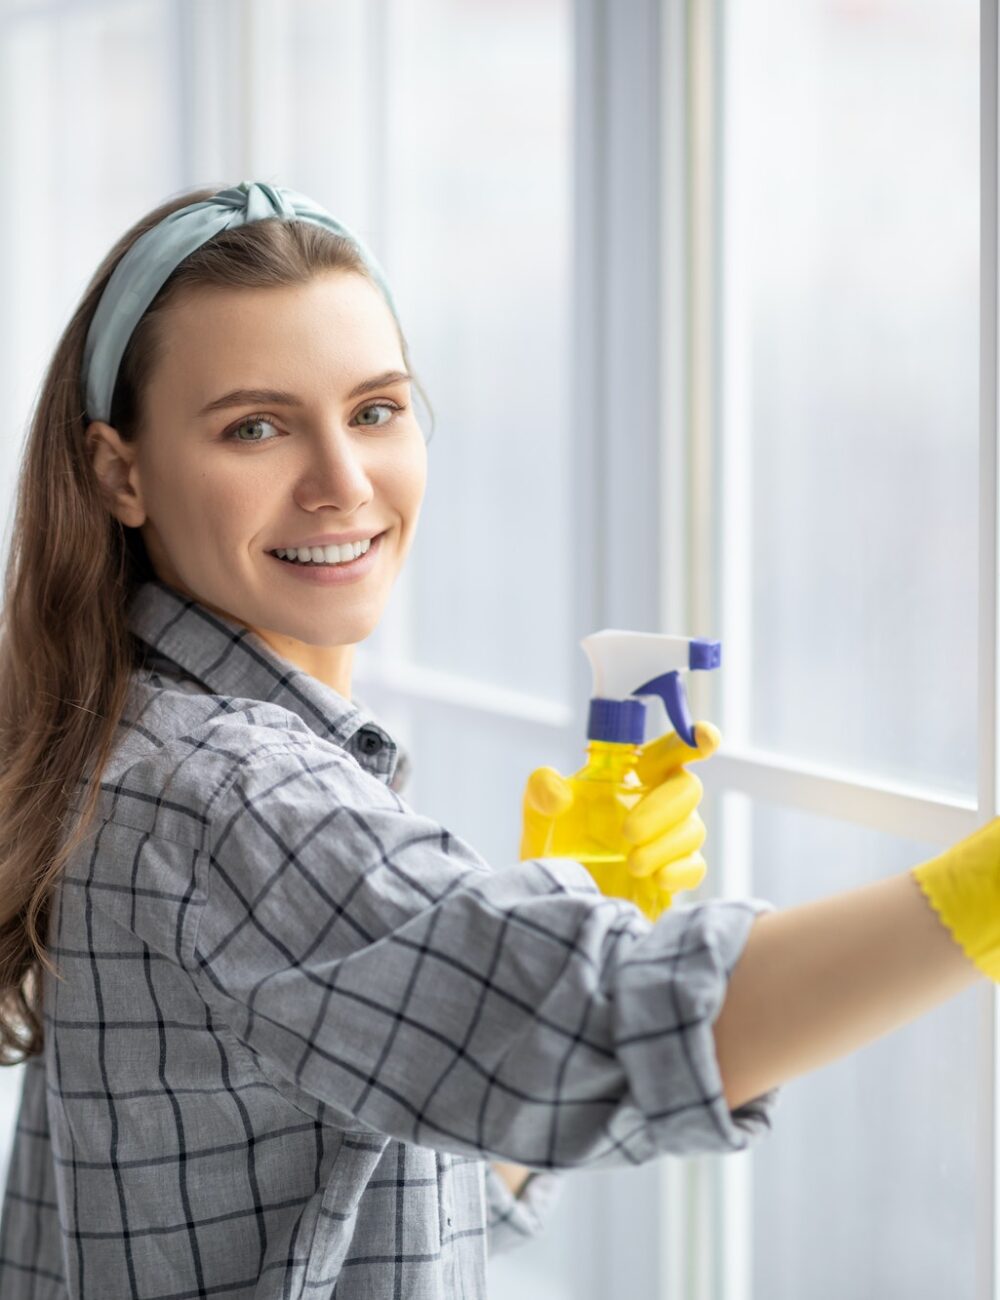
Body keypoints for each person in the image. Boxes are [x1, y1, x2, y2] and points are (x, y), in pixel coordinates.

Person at [0, 180, 989, 1299]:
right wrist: (982, 889)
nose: (343, 482)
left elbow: (375, 1205)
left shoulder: (127, 727)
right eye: (257, 427)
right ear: (119, 471)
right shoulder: (228, 796)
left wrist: (507, 947)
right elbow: (628, 1028)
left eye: (375, 410)